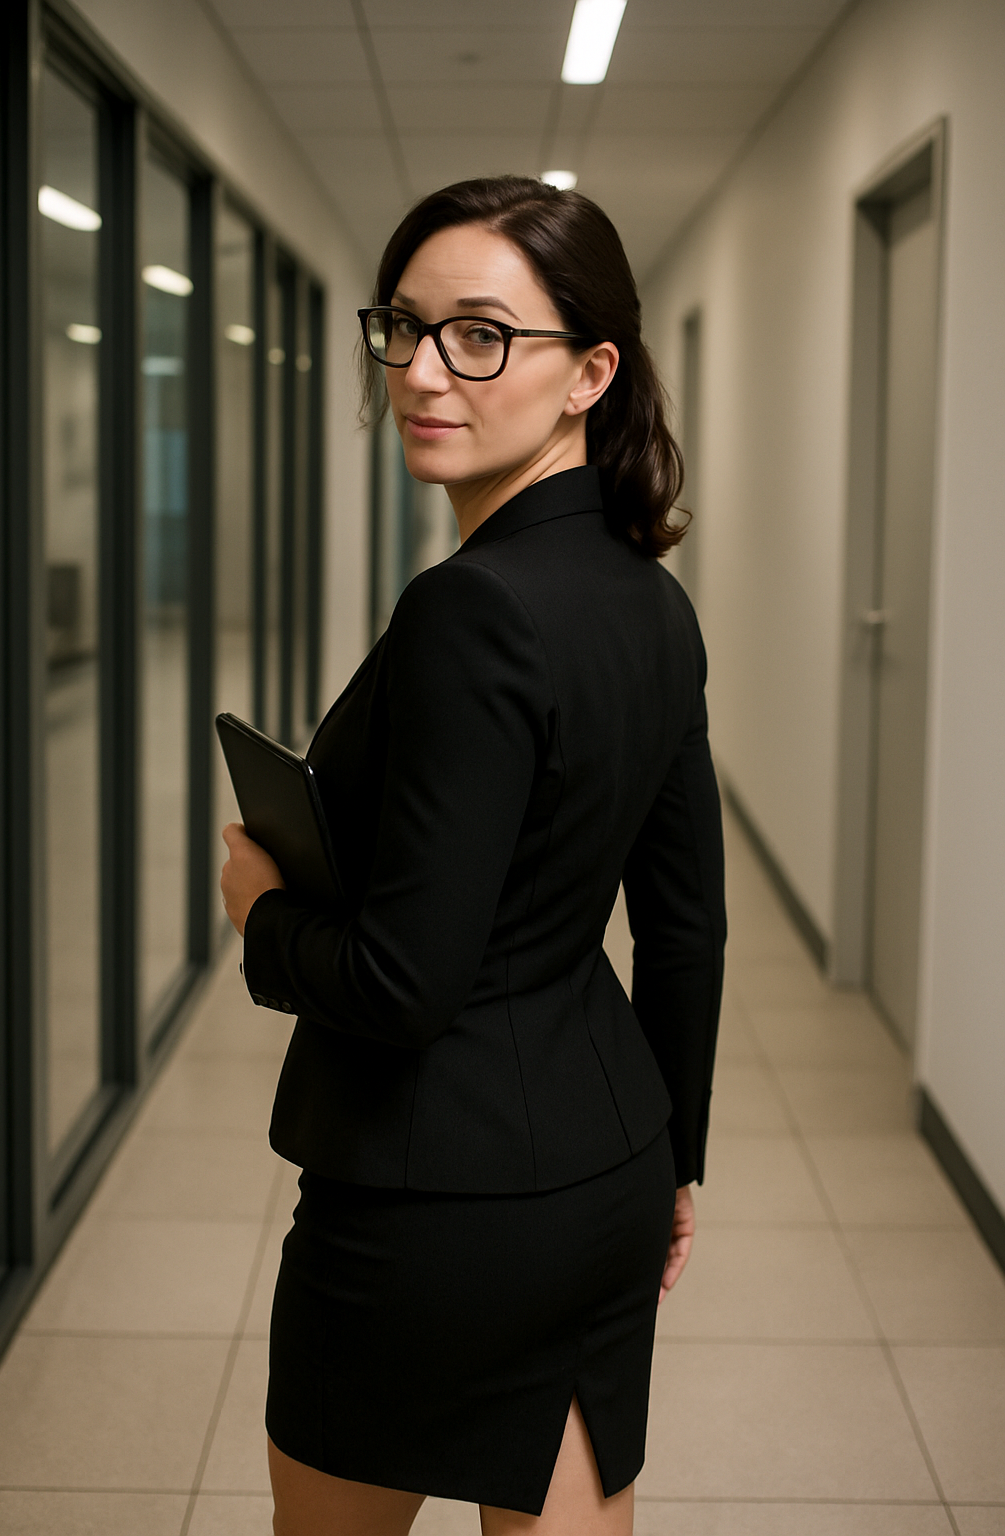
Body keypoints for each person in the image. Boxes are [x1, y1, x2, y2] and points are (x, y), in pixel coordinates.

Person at [221, 175, 725, 1536]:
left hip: (431, 1200)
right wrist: (676, 1155)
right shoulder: (652, 601)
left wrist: (260, 913)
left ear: (590, 374)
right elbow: (685, 929)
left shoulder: (470, 610)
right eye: (408, 327)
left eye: (482, 335)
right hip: (604, 1167)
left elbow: (404, 981)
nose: (424, 371)